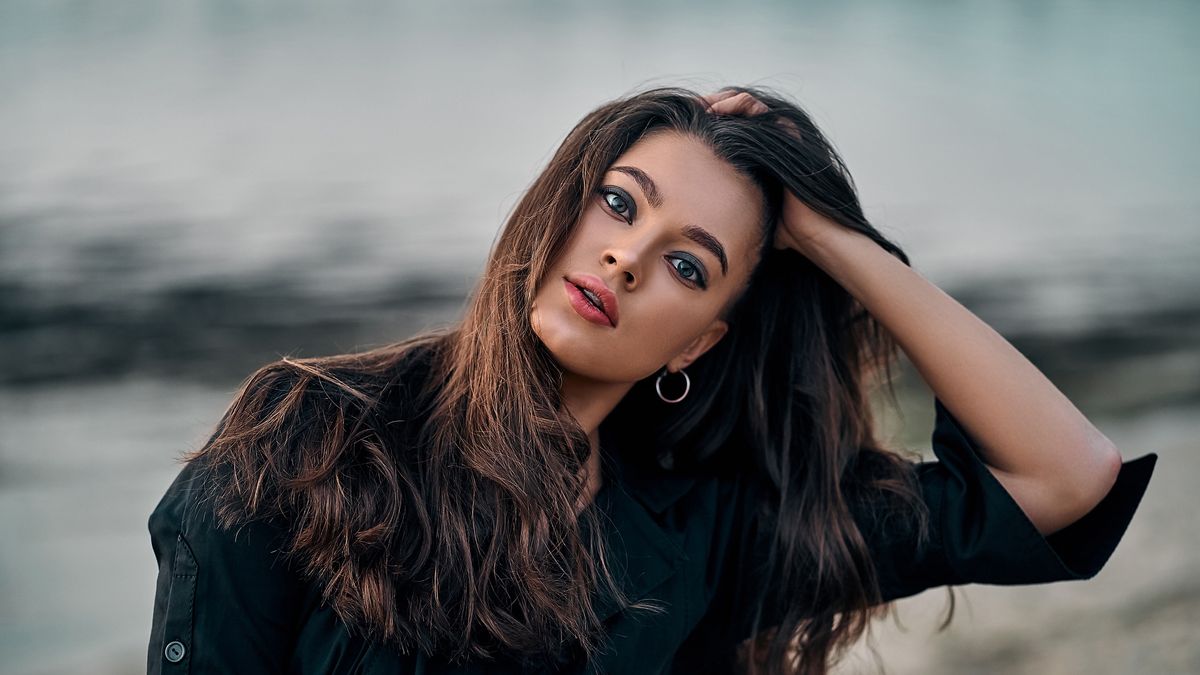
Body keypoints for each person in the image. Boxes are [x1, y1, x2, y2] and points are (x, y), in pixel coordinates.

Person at [145, 86, 1158, 675]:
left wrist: (841, 245)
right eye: (620, 205)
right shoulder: (312, 435)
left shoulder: (709, 530)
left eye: (689, 264)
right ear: (560, 205)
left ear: (698, 344)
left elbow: (1065, 477)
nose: (628, 259)